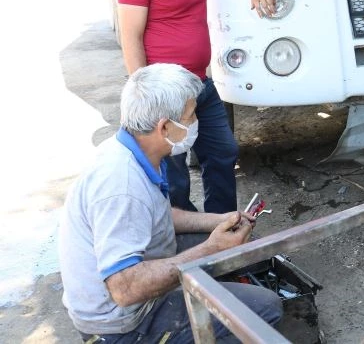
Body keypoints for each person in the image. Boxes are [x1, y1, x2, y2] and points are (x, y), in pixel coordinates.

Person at [58, 63, 282, 342]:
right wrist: (210, 249)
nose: (194, 121)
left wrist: (218, 219)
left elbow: (160, 215)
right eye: (190, 116)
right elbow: (125, 289)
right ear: (165, 126)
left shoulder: (134, 150)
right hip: (122, 324)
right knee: (264, 308)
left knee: (235, 247)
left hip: (130, 284)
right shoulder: (122, 185)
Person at [117, 0, 276, 213]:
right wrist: (146, 96)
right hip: (166, 94)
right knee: (173, 175)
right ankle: (184, 243)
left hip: (201, 85)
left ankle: (222, 230)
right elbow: (130, 37)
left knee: (223, 152)